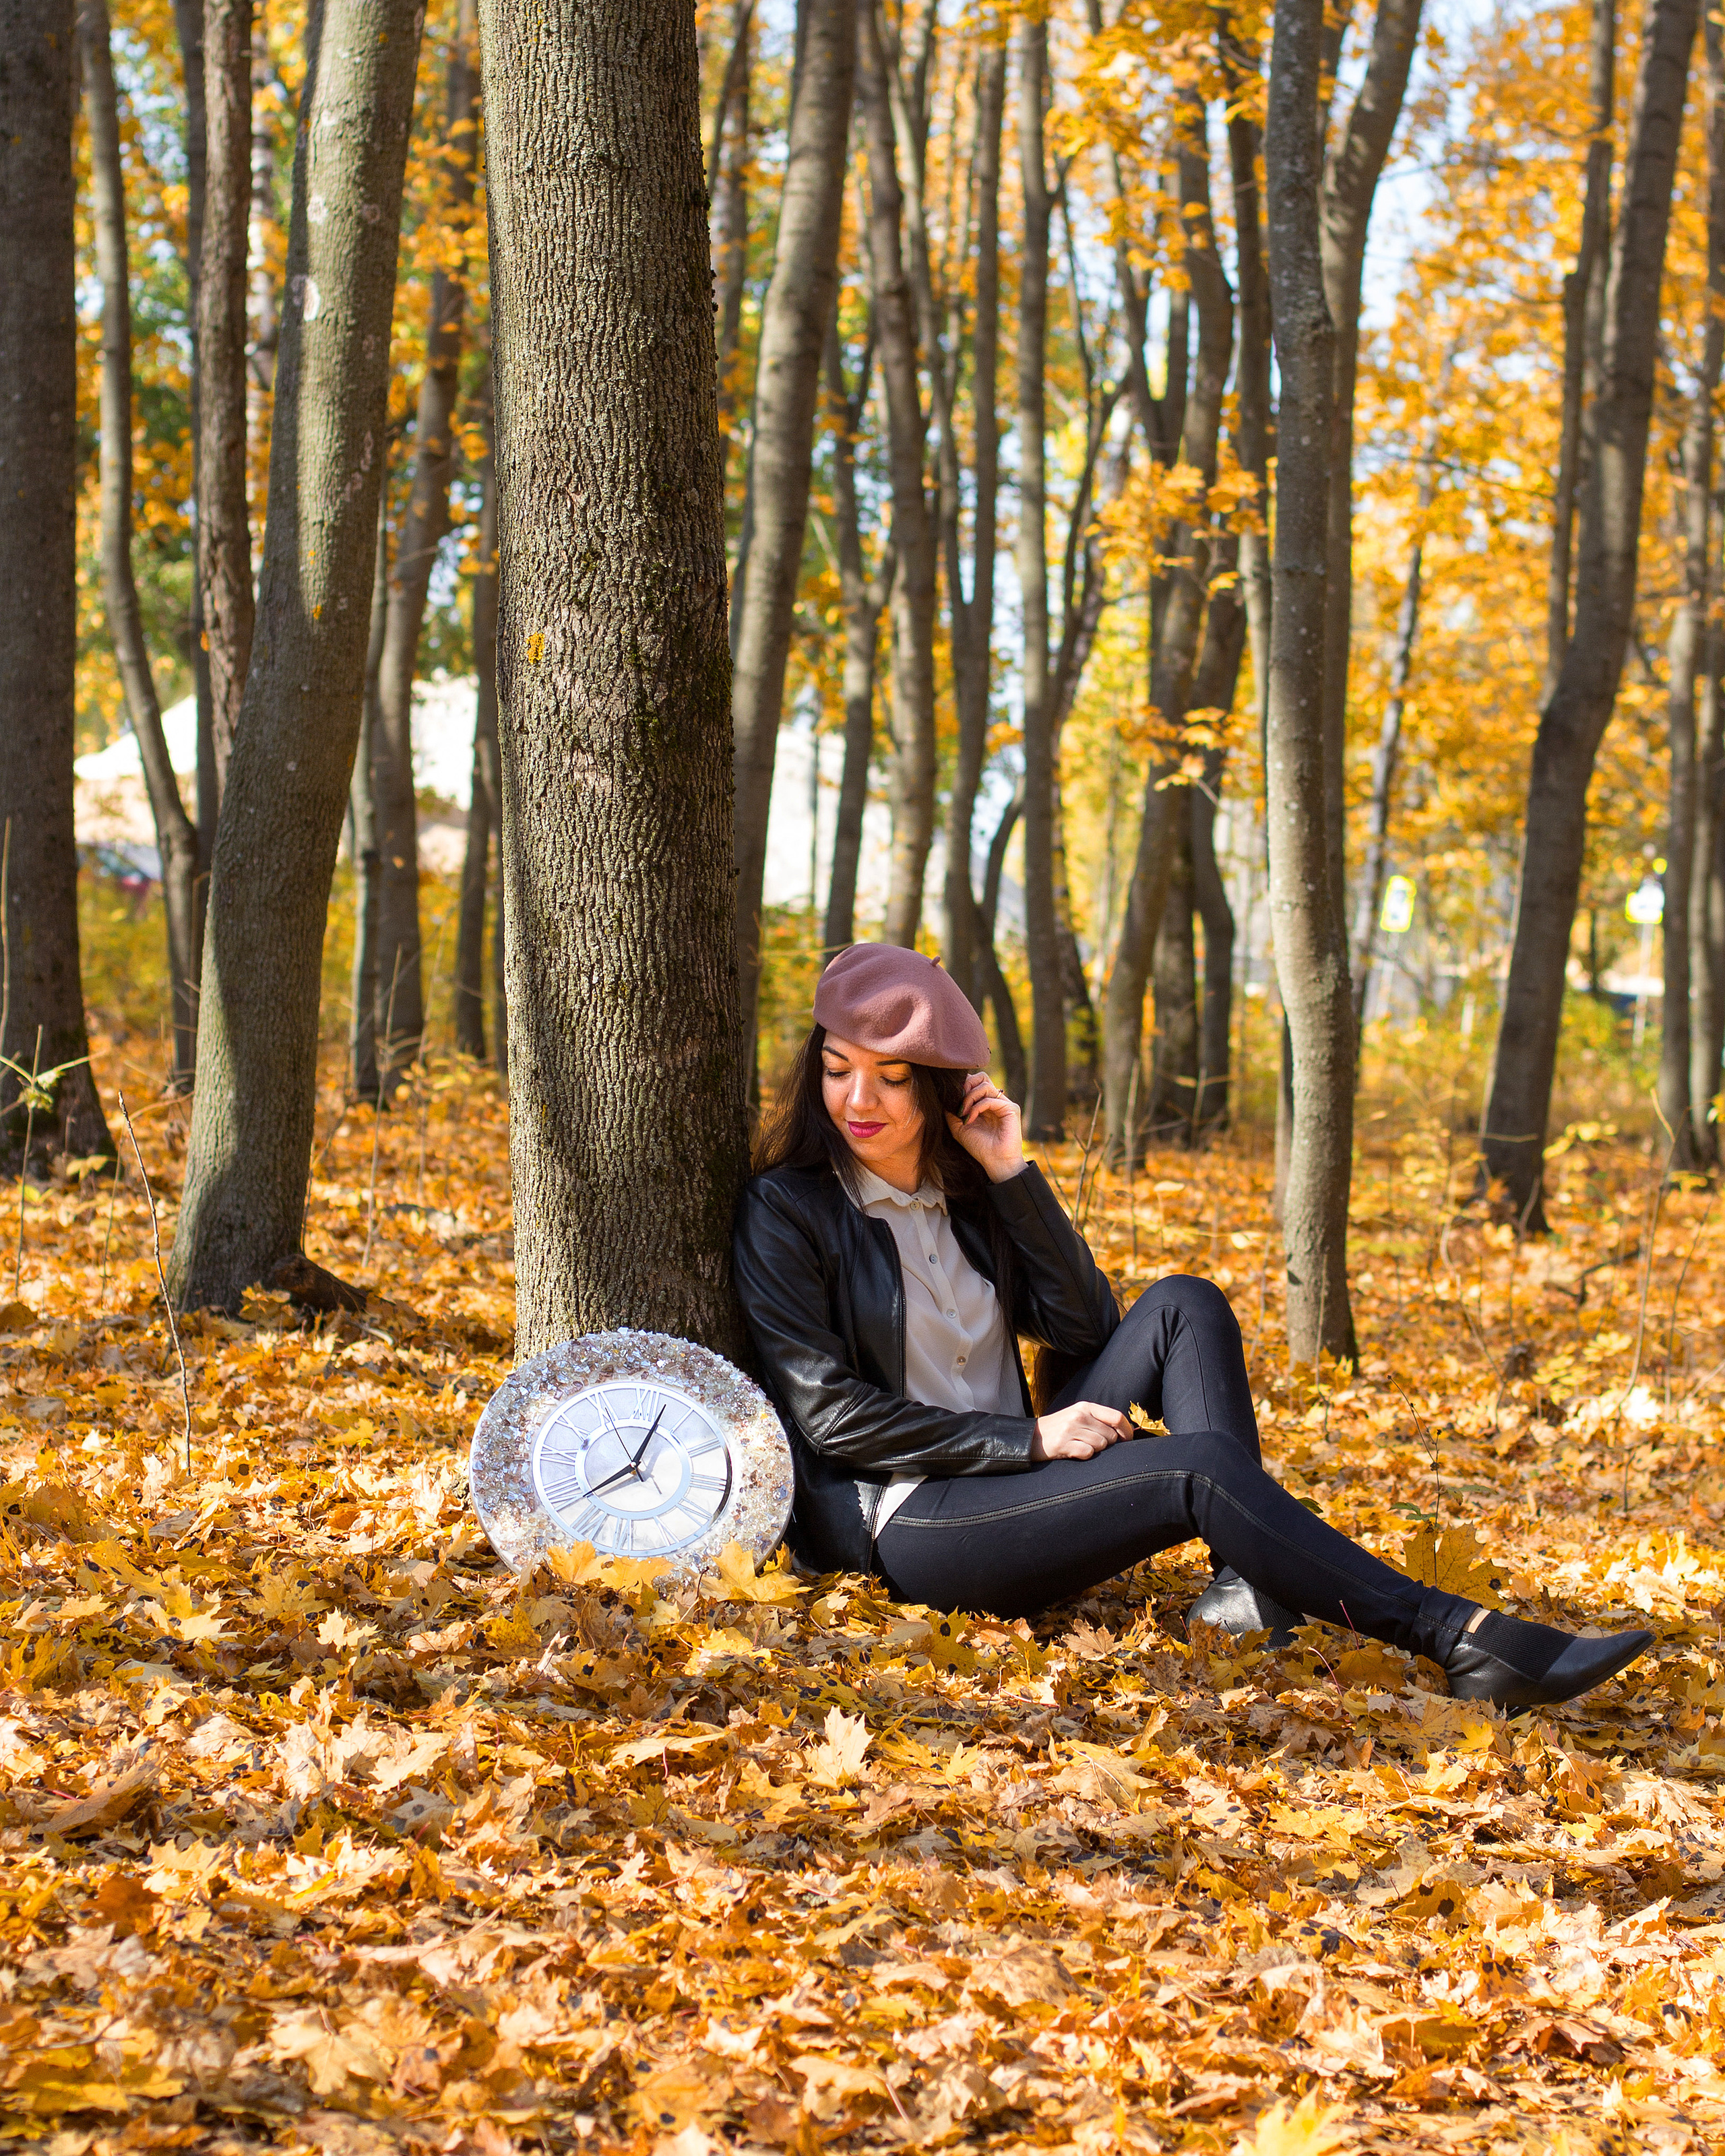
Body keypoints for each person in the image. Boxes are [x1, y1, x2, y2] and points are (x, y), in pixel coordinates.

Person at [732, 943, 1654, 1713]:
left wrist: (1013, 1175)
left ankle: (1248, 1587)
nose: (860, 1101)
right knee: (1200, 1468)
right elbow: (831, 1419)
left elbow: (1086, 1323)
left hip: (1023, 1481)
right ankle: (1460, 1636)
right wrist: (1030, 1438)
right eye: (838, 1069)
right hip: (915, 1522)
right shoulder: (790, 1209)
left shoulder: (966, 1192)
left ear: (940, 1089)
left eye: (893, 1079)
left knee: (1185, 1300)